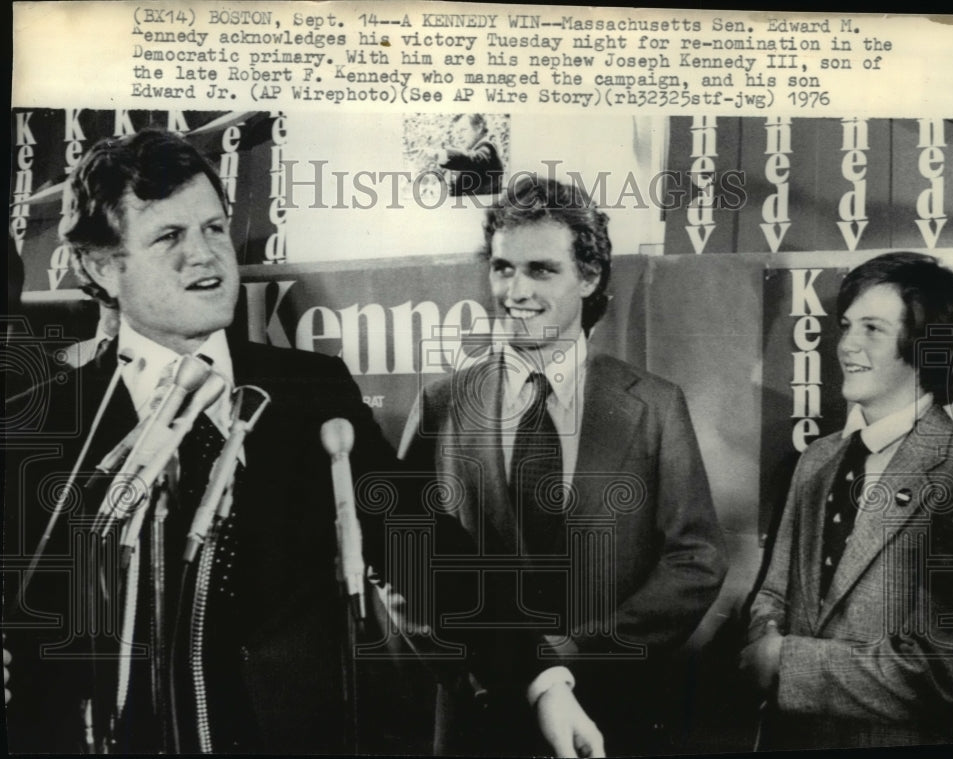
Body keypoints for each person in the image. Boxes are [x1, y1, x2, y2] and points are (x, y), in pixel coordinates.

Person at [1, 129, 603, 756]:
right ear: (102, 266)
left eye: (213, 229)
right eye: (169, 237)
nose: (205, 256)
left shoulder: (308, 391)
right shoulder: (46, 422)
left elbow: (420, 542)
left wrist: (542, 679)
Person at [399, 175, 727, 755]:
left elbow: (695, 561)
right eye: (503, 268)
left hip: (613, 717)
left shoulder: (654, 405)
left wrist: (576, 653)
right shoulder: (442, 403)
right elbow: (403, 560)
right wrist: (475, 667)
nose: (515, 290)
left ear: (590, 275)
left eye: (541, 270)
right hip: (477, 720)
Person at [741, 252, 953, 749]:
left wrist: (783, 663)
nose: (846, 345)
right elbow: (773, 591)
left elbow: (946, 669)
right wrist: (764, 633)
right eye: (847, 325)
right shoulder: (817, 459)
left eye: (872, 329)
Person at [432, 113, 504, 197]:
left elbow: (473, 159)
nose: (458, 136)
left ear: (479, 128)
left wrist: (439, 155)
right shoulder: (467, 155)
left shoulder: (487, 147)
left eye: (463, 130)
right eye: (457, 133)